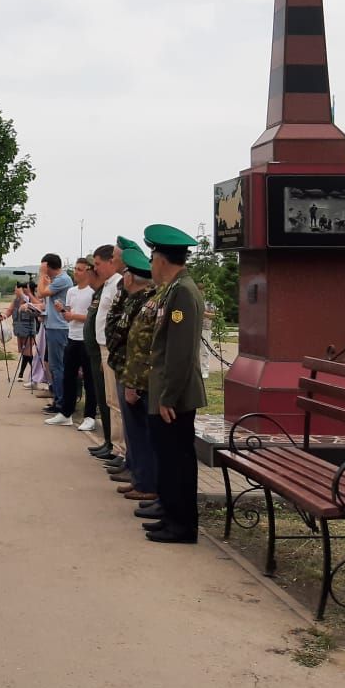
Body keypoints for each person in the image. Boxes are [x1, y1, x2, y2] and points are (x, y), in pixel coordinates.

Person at [137, 224, 207, 545]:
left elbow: (179, 351)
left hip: (174, 396)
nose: (150, 264)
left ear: (162, 258)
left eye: (152, 257)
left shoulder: (183, 292)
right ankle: (170, 514)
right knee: (167, 458)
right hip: (165, 391)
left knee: (177, 460)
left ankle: (181, 525)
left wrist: (167, 396)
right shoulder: (173, 288)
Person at [111, 245, 158, 505]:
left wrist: (133, 381)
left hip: (138, 376)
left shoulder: (150, 300)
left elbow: (141, 343)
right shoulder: (133, 299)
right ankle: (140, 477)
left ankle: (146, 481)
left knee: (141, 432)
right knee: (135, 431)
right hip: (126, 369)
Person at [46, 258, 97, 429]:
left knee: (89, 379)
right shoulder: (72, 291)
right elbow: (68, 313)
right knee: (69, 376)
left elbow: (92, 317)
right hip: (72, 336)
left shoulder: (92, 291)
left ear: (88, 271)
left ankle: (90, 415)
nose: (76, 272)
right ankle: (66, 412)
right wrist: (62, 310)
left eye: (80, 269)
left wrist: (73, 316)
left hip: (86, 339)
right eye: (75, 268)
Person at [88, 245, 124, 456]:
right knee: (110, 400)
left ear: (111, 261)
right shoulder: (109, 285)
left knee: (116, 402)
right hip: (104, 347)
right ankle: (112, 443)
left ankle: (119, 448)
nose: (96, 269)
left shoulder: (118, 284)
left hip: (111, 348)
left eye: (98, 264)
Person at [39, 253, 71, 415]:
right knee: (54, 366)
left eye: (44, 266)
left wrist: (41, 275)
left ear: (49, 266)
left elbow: (41, 293)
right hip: (53, 326)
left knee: (57, 366)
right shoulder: (58, 280)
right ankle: (58, 398)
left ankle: (61, 402)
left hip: (59, 327)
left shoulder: (62, 280)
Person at [0, 283, 42, 384]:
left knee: (27, 352)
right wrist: (4, 316)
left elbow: (38, 311)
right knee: (24, 352)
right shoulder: (16, 301)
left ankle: (33, 376)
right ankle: (25, 374)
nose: (15, 291)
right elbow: (9, 311)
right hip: (19, 329)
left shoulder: (31, 300)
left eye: (17, 290)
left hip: (29, 329)